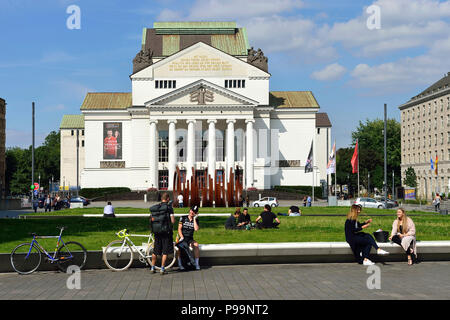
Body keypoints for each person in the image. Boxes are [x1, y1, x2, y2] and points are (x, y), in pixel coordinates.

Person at [150, 193, 175, 275]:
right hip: (166, 232)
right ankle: (162, 268)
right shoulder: (169, 208)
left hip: (157, 232)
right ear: (167, 199)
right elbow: (172, 221)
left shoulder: (156, 208)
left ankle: (152, 267)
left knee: (155, 251)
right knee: (165, 251)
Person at [177, 205, 200, 270]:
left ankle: (197, 264)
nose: (192, 212)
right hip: (182, 237)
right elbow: (179, 229)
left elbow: (196, 229)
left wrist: (194, 219)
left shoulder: (196, 220)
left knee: (196, 245)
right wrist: (181, 237)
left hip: (190, 239)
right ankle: (180, 264)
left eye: (194, 212)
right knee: (179, 248)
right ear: (190, 210)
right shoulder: (183, 218)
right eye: (192, 210)